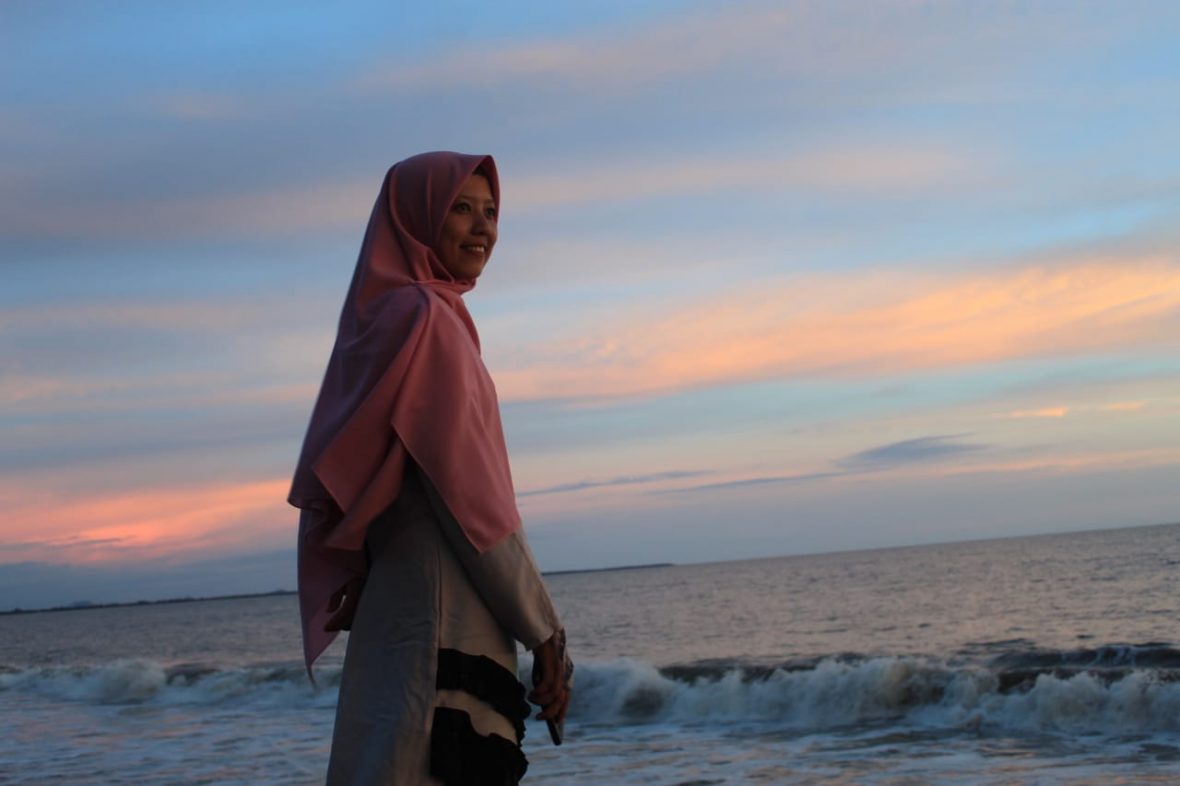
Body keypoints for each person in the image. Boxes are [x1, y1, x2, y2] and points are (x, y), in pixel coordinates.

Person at [289, 151, 572, 785]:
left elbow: (379, 481)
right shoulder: (428, 320)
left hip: (392, 612)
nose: (482, 228)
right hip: (448, 617)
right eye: (460, 209)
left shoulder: (379, 318)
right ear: (416, 220)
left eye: (490, 212)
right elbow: (468, 499)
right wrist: (544, 630)